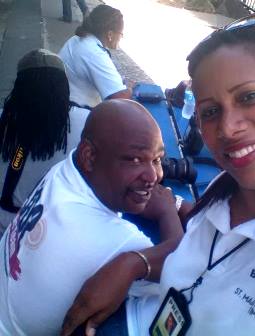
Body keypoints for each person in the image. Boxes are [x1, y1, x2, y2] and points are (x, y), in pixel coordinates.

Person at [60, 13, 255, 336]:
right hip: (141, 319)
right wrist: (135, 263)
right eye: (210, 111)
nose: (227, 128)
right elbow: (212, 259)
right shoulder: (229, 186)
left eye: (249, 96)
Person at [0, 99, 183, 335]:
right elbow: (184, 268)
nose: (154, 176)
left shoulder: (65, 171)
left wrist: (165, 201)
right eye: (135, 159)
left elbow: (126, 191)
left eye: (157, 160)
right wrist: (169, 211)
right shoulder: (111, 239)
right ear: (89, 156)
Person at [0, 49, 89, 237]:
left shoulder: (4, 117)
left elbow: (17, 158)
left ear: (19, 86)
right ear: (64, 86)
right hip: (45, 233)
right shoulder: (86, 122)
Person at [59, 4, 131, 110]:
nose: (121, 37)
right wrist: (130, 89)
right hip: (76, 114)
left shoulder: (78, 39)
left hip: (62, 104)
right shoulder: (95, 53)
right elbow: (119, 98)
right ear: (110, 34)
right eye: (121, 33)